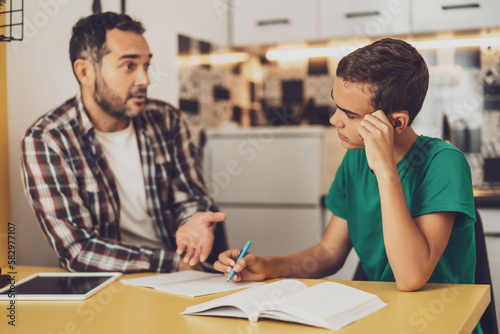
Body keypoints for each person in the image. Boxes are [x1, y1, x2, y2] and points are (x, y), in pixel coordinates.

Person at [216, 38, 478, 302]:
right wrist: (269, 266)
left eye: (350, 115)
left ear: (396, 123)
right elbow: (330, 252)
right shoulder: (355, 159)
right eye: (336, 106)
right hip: (382, 313)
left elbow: (411, 277)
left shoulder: (444, 163)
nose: (334, 120)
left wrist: (386, 171)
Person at [21, 12, 226, 273]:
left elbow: (190, 196)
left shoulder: (166, 119)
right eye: (129, 66)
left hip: (184, 276)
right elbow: (78, 250)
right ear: (85, 72)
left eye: (146, 66)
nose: (145, 80)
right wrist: (172, 263)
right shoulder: (47, 140)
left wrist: (194, 220)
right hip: (110, 283)